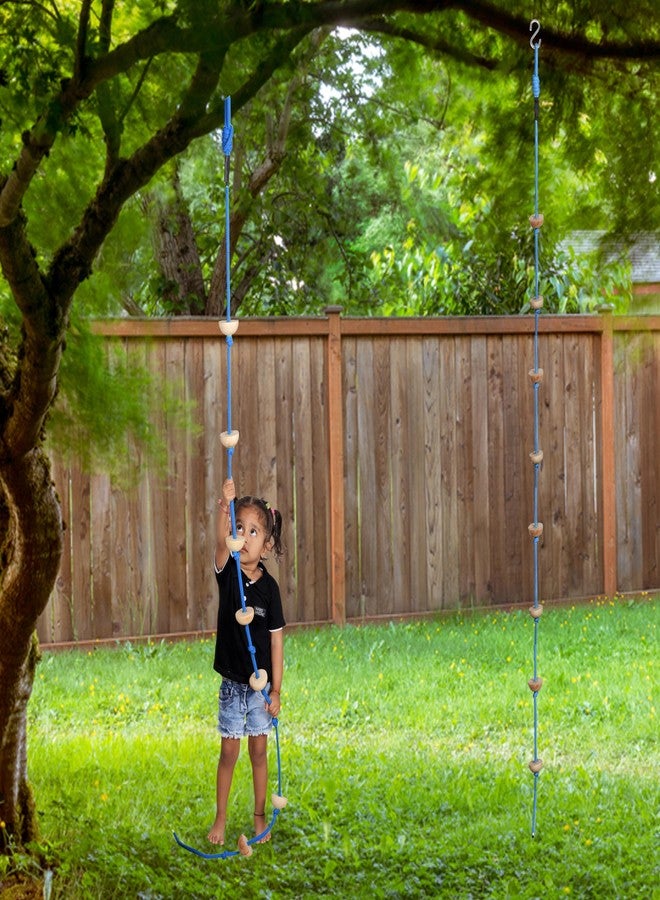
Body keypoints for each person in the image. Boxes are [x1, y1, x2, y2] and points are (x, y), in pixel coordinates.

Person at [208, 477, 285, 847]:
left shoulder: (269, 590)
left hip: (260, 687)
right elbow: (221, 548)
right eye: (240, 528)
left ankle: (258, 815)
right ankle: (220, 816)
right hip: (231, 685)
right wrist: (225, 509)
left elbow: (277, 642)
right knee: (229, 752)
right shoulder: (229, 575)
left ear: (266, 545)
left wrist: (277, 692)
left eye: (253, 530)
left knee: (258, 752)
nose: (244, 534)